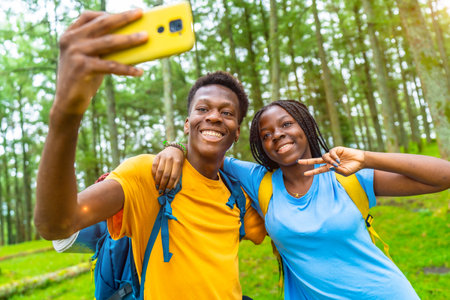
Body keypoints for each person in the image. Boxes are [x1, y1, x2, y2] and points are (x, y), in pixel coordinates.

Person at [34, 9, 267, 300]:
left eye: (227, 113)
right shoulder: (149, 174)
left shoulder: (240, 196)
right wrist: (66, 113)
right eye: (203, 109)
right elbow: (56, 224)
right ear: (187, 123)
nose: (214, 117)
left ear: (236, 131)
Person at [153, 99, 450, 299]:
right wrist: (174, 148)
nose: (278, 136)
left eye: (286, 125)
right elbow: (207, 150)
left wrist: (368, 157)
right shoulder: (260, 183)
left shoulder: (345, 174)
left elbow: (444, 176)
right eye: (266, 134)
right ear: (261, 146)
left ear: (305, 127)